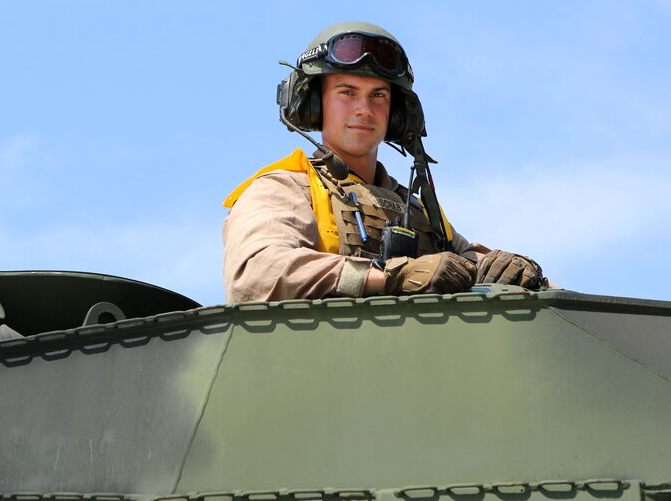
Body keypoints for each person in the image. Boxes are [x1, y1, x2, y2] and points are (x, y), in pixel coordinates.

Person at [222, 21, 547, 304]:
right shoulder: (286, 188)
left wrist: (523, 275)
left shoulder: (420, 213)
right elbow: (254, 275)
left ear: (396, 115)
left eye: (378, 95)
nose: (364, 109)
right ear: (314, 106)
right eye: (347, 92)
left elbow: (472, 266)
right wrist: (388, 277)